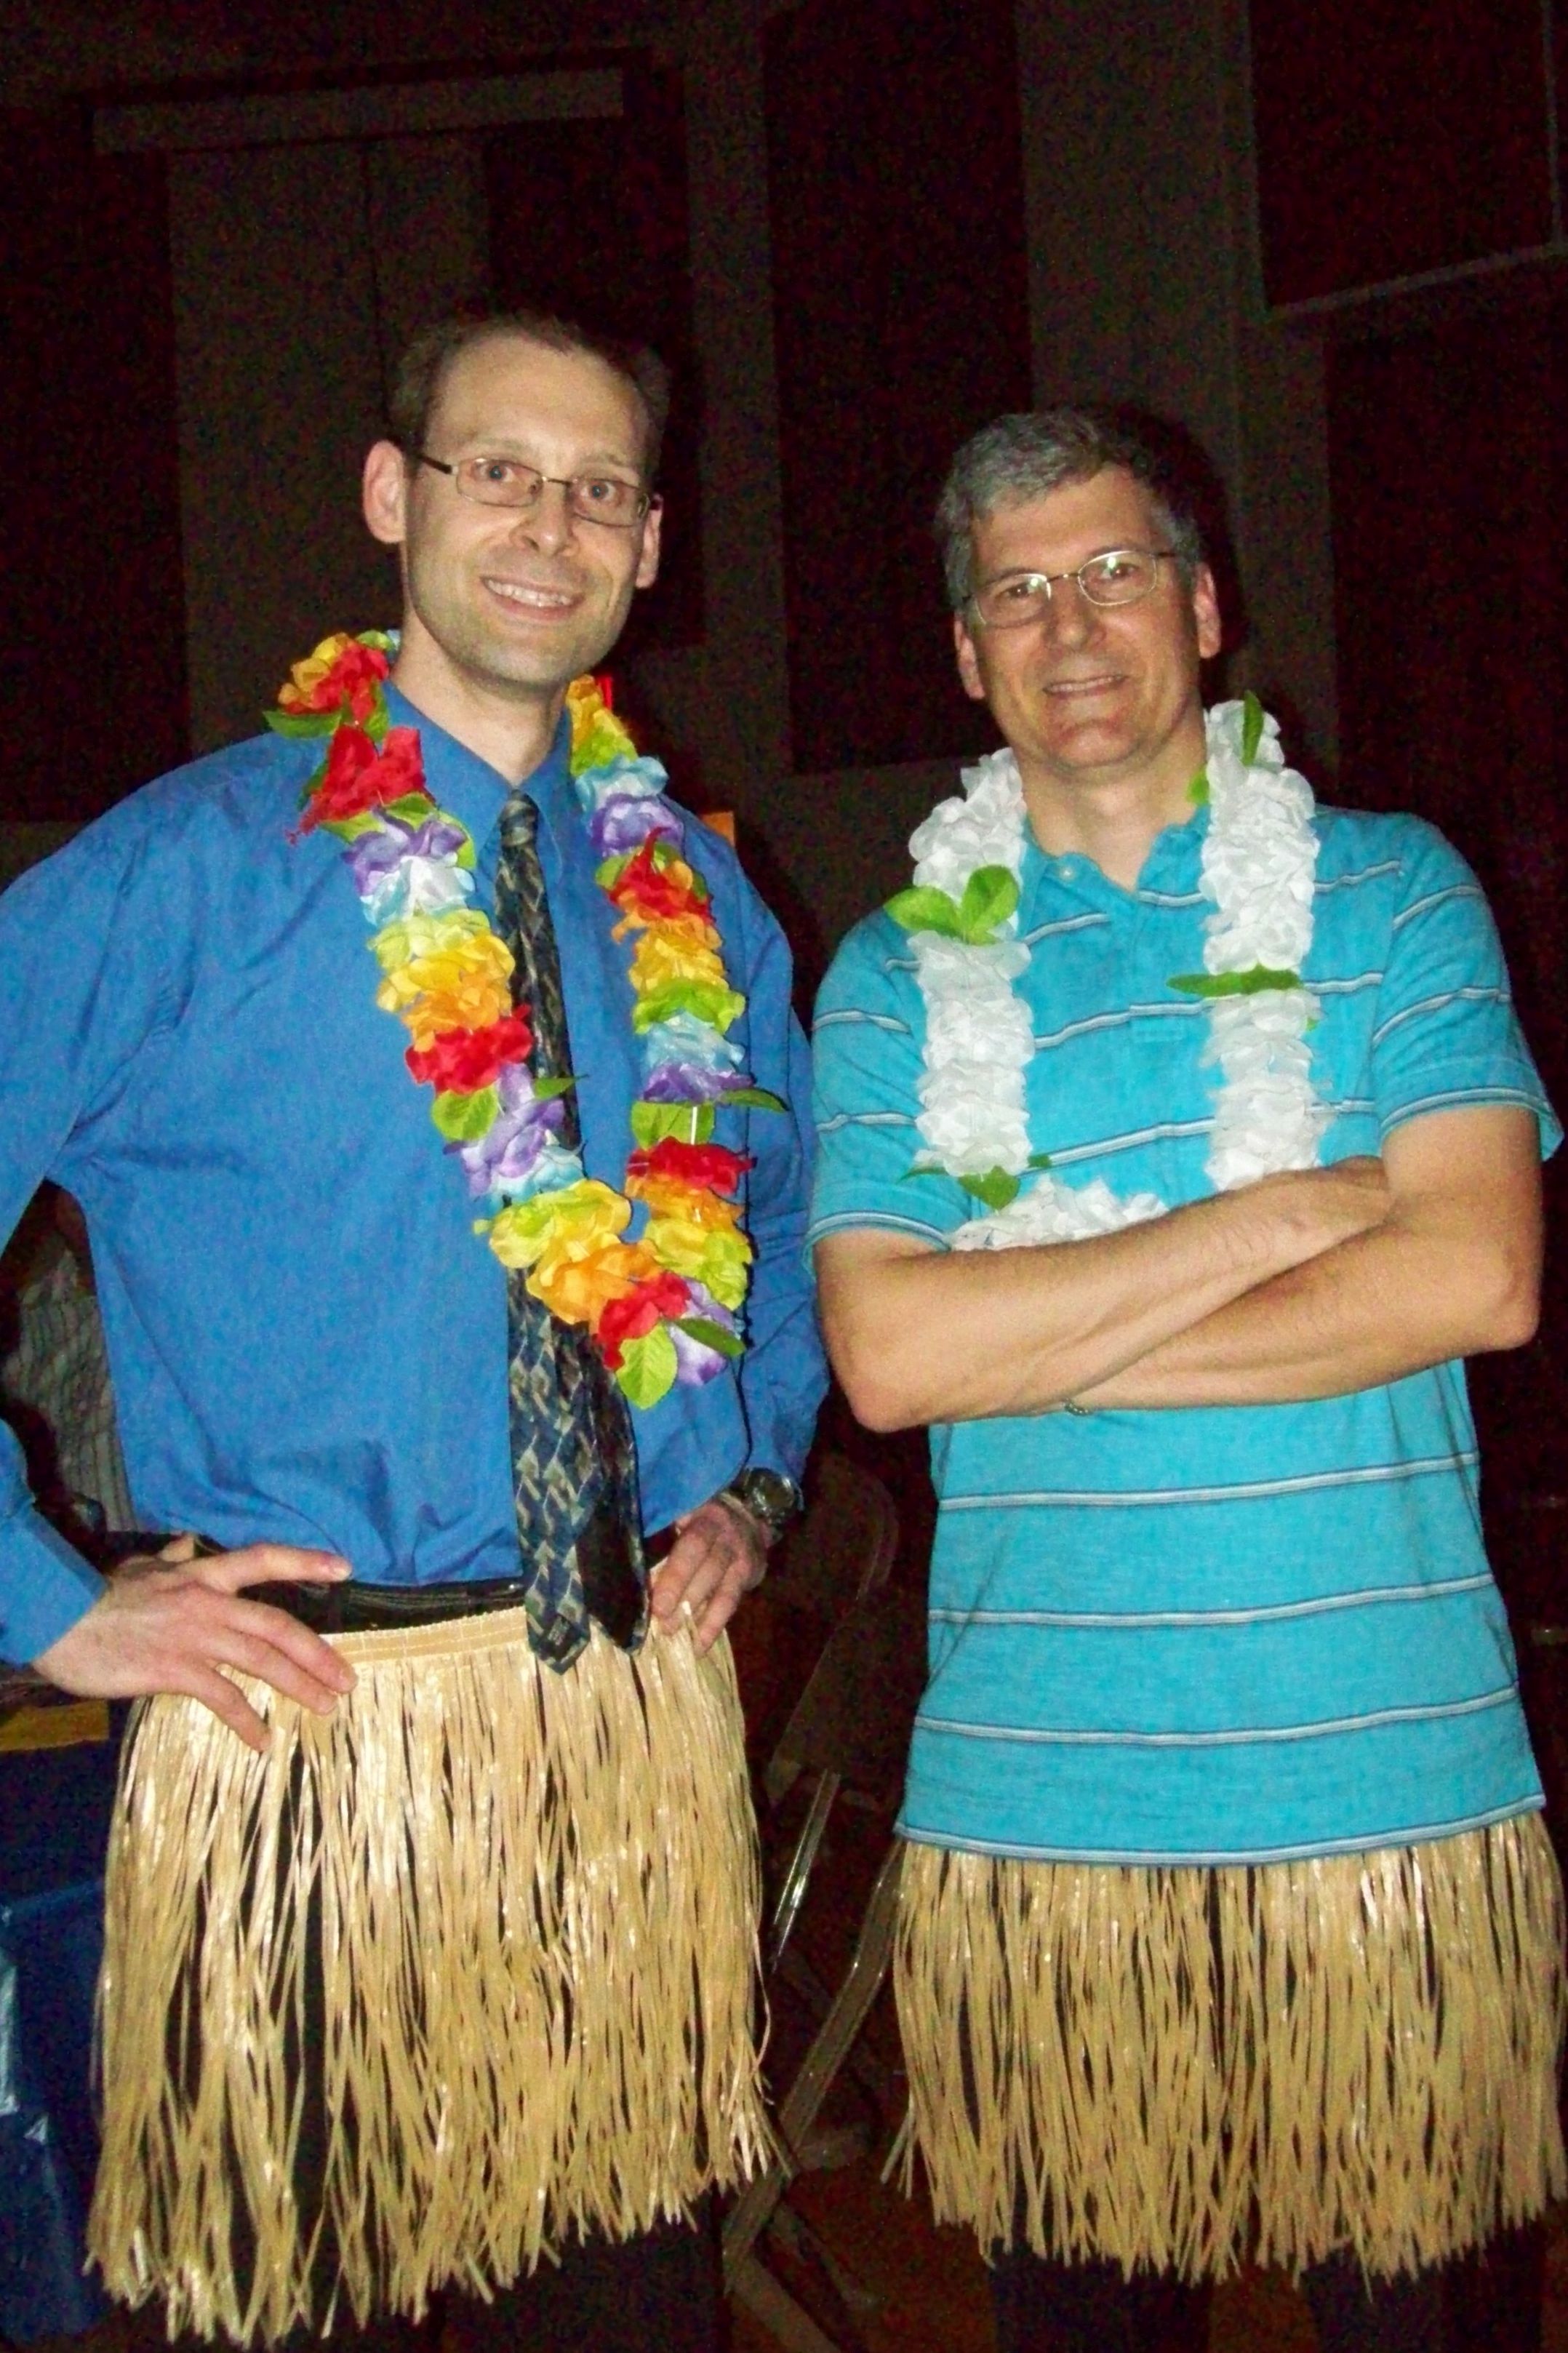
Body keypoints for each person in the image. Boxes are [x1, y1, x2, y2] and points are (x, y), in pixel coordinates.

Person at [0, 306, 825, 2353]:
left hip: (624, 1737)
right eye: (495, 468)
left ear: (650, 544)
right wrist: (46, 1598)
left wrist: (755, 1472)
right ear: (392, 498)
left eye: (600, 485)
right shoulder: (187, 872)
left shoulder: (705, 911)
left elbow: (781, 1228)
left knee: (623, 2314)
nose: (547, 521)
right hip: (308, 1750)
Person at [808, 407, 1564, 2353]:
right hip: (1050, 1819)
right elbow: (888, 1359)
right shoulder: (896, 976)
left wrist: (1041, 1323)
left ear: (1204, 605)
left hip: (1385, 1794)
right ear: (967, 653)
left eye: (1115, 570)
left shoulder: (1390, 895)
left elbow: (1474, 1273)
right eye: (1015, 592)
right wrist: (1286, 1219)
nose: (1070, 624)